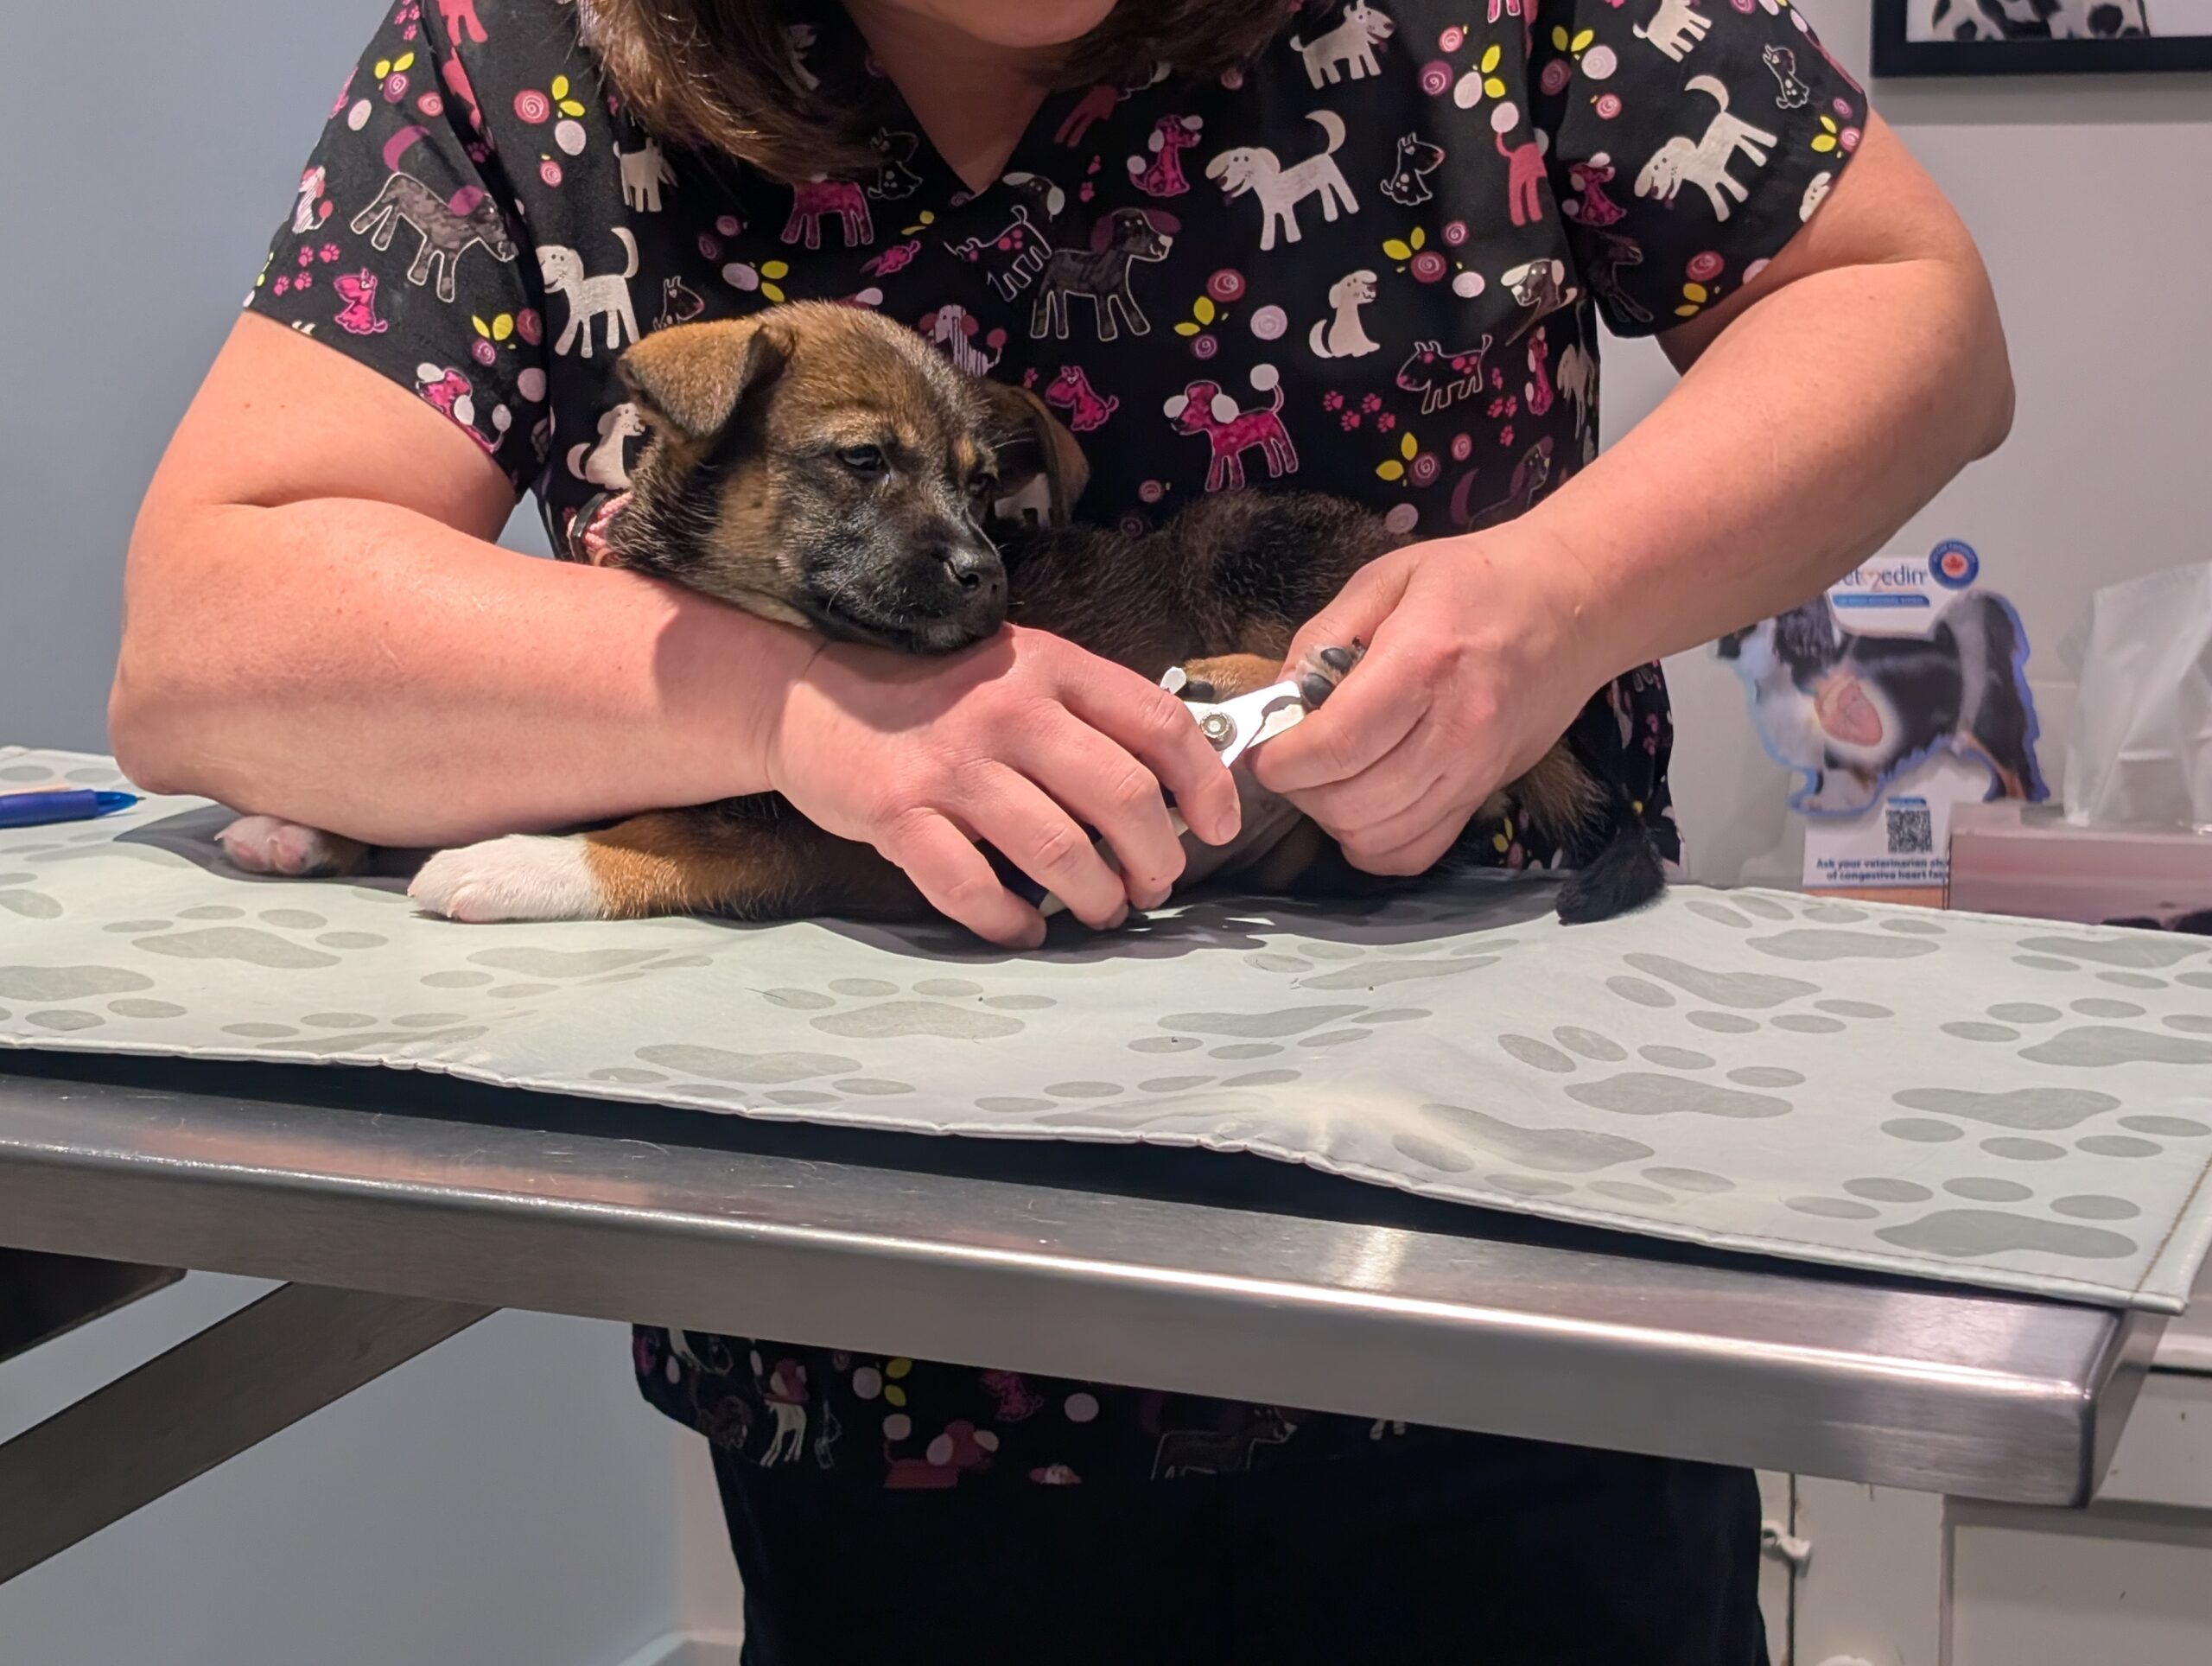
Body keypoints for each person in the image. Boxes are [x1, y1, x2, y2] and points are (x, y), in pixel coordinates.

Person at [112, 0, 2012, 1659]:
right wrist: (789, 707)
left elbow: (1908, 307)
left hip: (1502, 1297)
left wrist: (1558, 592)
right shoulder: (528, 43)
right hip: (878, 1345)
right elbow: (211, 640)